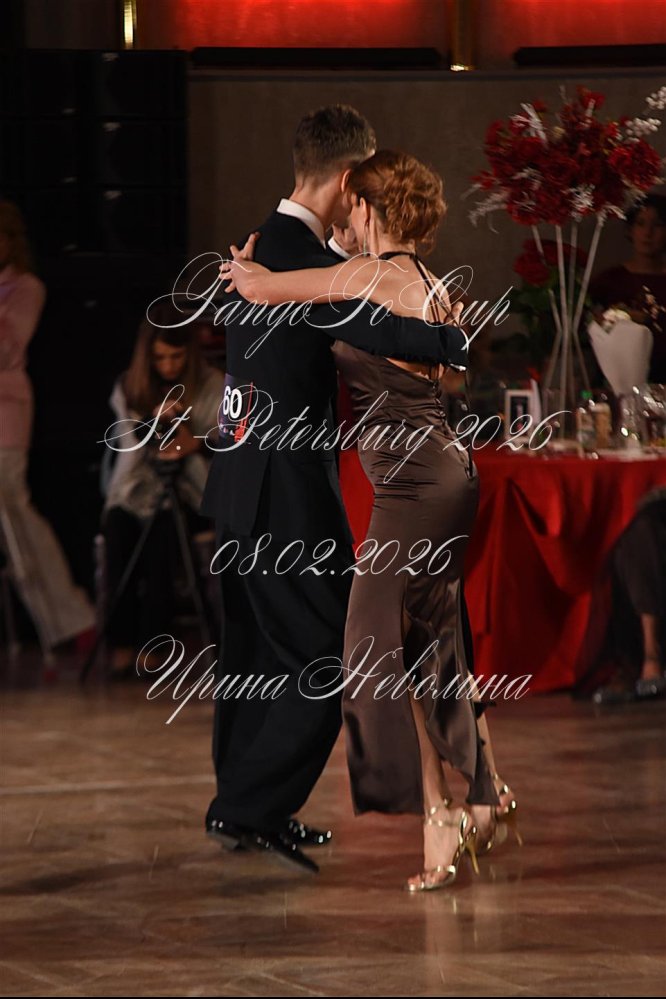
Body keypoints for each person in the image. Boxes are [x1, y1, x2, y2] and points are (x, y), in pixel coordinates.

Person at [223, 149, 520, 890]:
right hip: (444, 474)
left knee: (375, 650)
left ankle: (440, 814)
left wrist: (244, 271)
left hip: (413, 487)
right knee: (431, 641)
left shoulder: (366, 277)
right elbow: (445, 363)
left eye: (352, 207)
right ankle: (483, 798)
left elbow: (265, 290)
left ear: (363, 206)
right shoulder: (425, 281)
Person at [101, 306, 224, 679]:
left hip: (189, 491)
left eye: (176, 357)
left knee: (163, 539)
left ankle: (154, 645)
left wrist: (193, 441)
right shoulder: (129, 386)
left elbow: (224, 444)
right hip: (135, 489)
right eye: (159, 358)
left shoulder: (213, 384)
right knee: (118, 531)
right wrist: (154, 422)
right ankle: (121, 644)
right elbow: (128, 451)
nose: (168, 366)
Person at [0, 200, 95, 653]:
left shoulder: (24, 288)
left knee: (15, 520)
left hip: (5, 418)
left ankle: (71, 620)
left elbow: (7, 349)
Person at [589, 194, 666, 383]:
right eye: (640, 223)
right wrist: (620, 317)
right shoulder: (608, 281)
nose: (648, 233)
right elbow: (595, 333)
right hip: (619, 383)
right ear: (630, 230)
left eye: (657, 225)